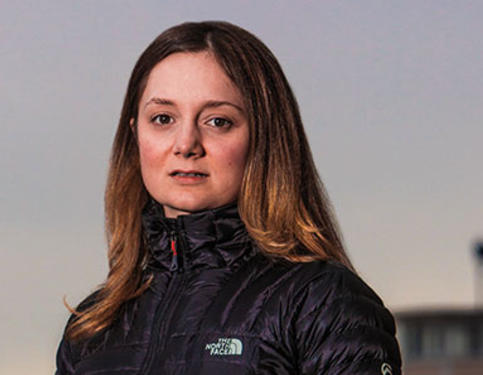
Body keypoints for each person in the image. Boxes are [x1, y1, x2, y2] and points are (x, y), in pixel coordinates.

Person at [54, 21, 402, 374]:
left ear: (264, 137)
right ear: (135, 136)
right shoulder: (93, 328)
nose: (186, 144)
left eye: (218, 121)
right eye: (163, 118)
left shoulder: (320, 303)